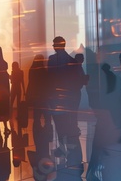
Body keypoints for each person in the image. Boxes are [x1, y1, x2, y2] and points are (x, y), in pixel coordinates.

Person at [47, 36, 83, 175]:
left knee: (59, 123)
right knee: (70, 123)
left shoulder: (52, 60)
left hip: (56, 97)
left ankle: (63, 147)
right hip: (70, 97)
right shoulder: (72, 61)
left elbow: (49, 79)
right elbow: (78, 80)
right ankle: (71, 149)